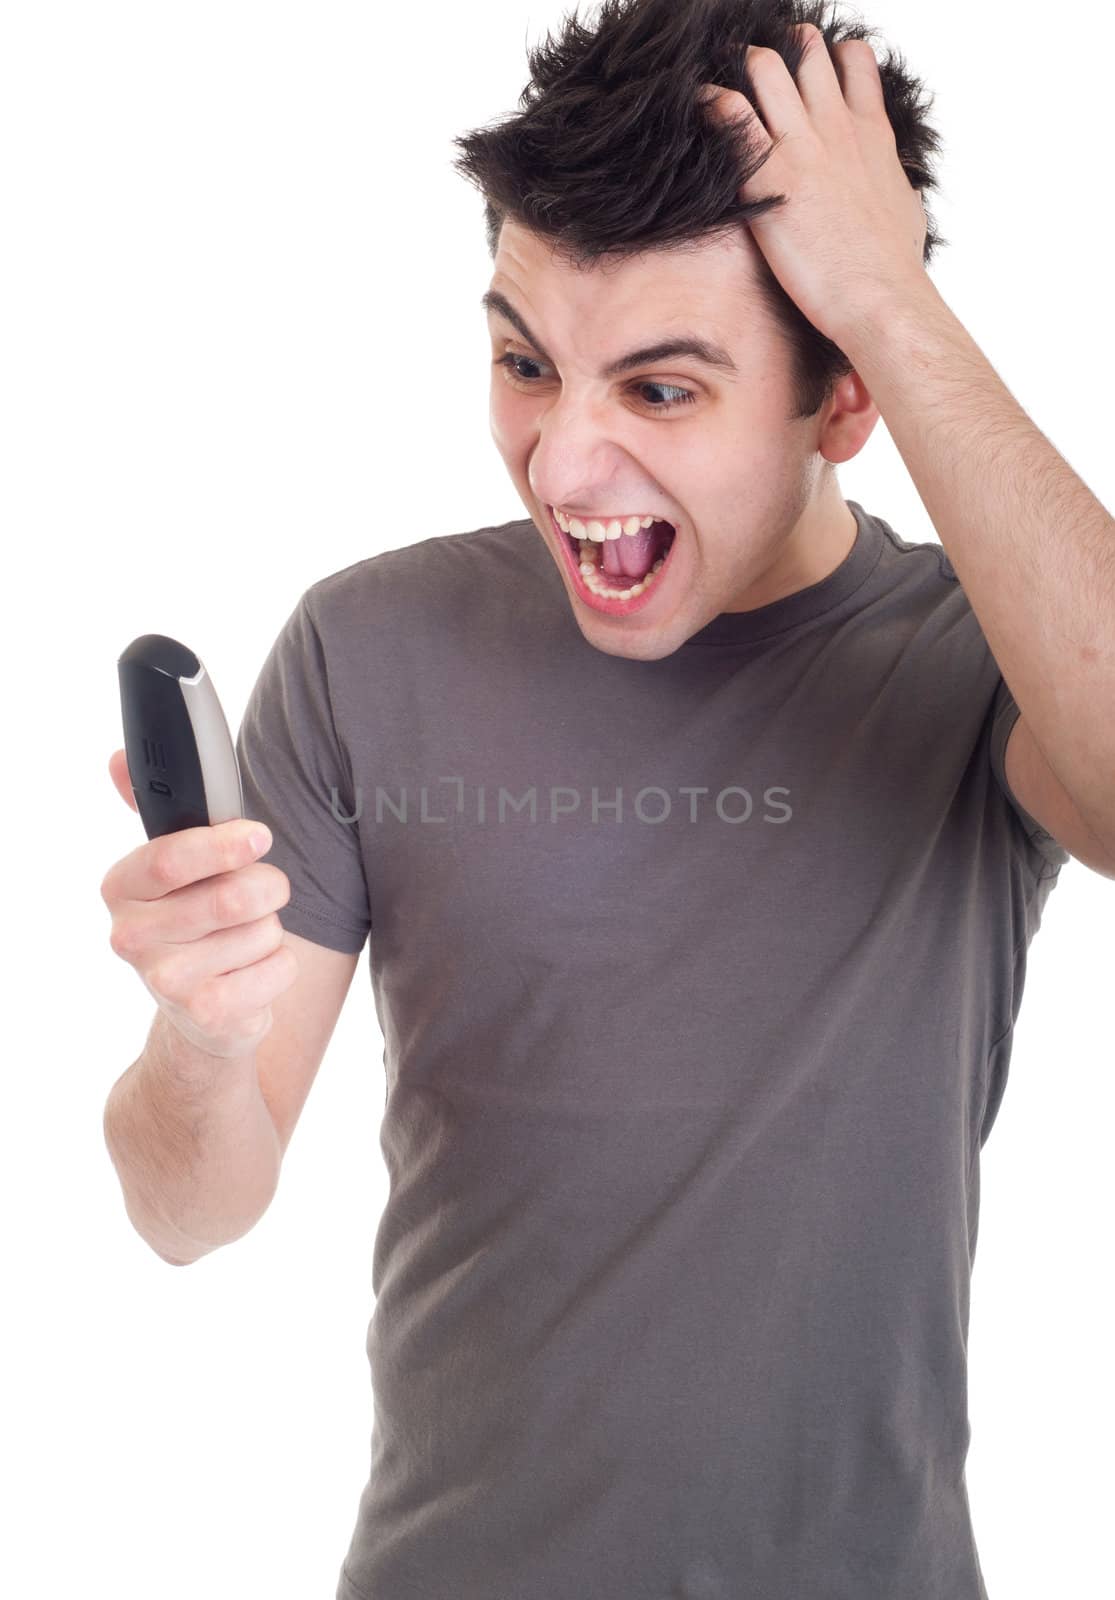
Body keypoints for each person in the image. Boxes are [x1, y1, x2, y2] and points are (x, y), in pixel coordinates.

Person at [100, 2, 1115, 1597]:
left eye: (660, 391)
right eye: (524, 363)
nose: (562, 465)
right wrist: (201, 1043)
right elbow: (185, 1213)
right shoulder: (367, 647)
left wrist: (895, 307)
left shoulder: (980, 662)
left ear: (842, 399)